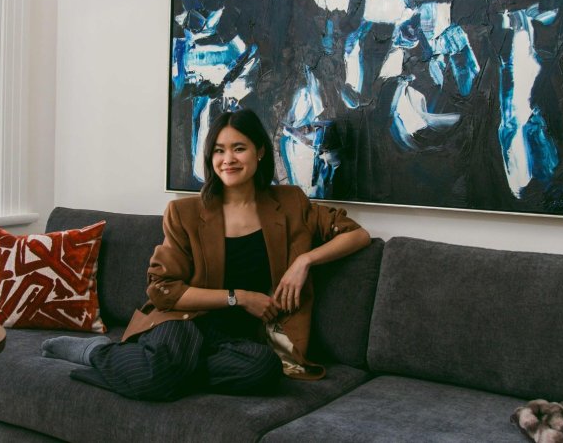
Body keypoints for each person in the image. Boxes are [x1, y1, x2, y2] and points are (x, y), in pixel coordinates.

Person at [41, 109, 371, 401]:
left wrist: (304, 261)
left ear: (258, 151)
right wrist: (239, 297)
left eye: (238, 148)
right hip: (184, 323)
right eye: (219, 150)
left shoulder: (290, 203)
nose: (228, 159)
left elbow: (357, 234)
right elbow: (163, 290)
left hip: (235, 342)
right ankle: (99, 353)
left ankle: (158, 368)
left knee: (263, 369)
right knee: (161, 370)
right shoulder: (185, 213)